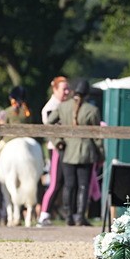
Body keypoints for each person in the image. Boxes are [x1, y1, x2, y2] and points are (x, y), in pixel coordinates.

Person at [46, 78, 103, 226]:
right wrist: (101, 154)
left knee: (69, 185)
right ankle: (80, 216)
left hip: (67, 151)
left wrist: (58, 141)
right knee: (84, 185)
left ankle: (68, 216)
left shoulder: (63, 107)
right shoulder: (92, 110)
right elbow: (97, 137)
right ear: (87, 94)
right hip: (86, 152)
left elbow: (48, 125)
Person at [37, 76, 70, 226]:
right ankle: (44, 213)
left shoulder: (63, 104)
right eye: (64, 89)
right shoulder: (51, 107)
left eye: (68, 89)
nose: (67, 92)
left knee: (62, 182)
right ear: (55, 89)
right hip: (56, 147)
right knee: (55, 182)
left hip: (66, 147)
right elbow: (53, 129)